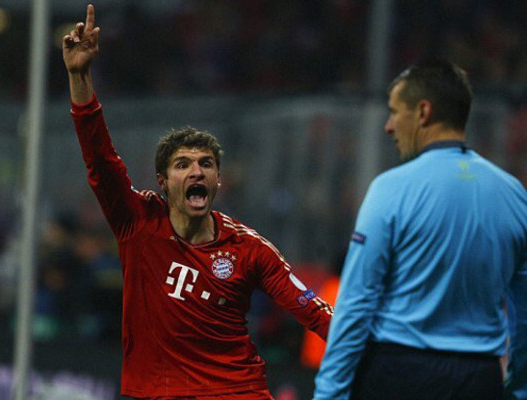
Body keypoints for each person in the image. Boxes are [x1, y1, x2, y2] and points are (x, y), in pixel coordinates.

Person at [62, 5, 333, 399]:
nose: (197, 172)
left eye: (206, 164)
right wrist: (79, 76)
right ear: (162, 182)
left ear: (217, 181)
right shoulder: (136, 221)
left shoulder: (249, 249)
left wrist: (376, 350)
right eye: (183, 164)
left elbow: (311, 308)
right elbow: (100, 160)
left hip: (235, 392)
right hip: (156, 391)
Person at [313, 60, 527, 400]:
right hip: (479, 378)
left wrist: (328, 394)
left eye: (395, 112)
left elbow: (356, 302)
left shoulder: (391, 189)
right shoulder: (516, 197)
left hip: (398, 374)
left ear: (423, 112)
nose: (388, 126)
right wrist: (520, 390)